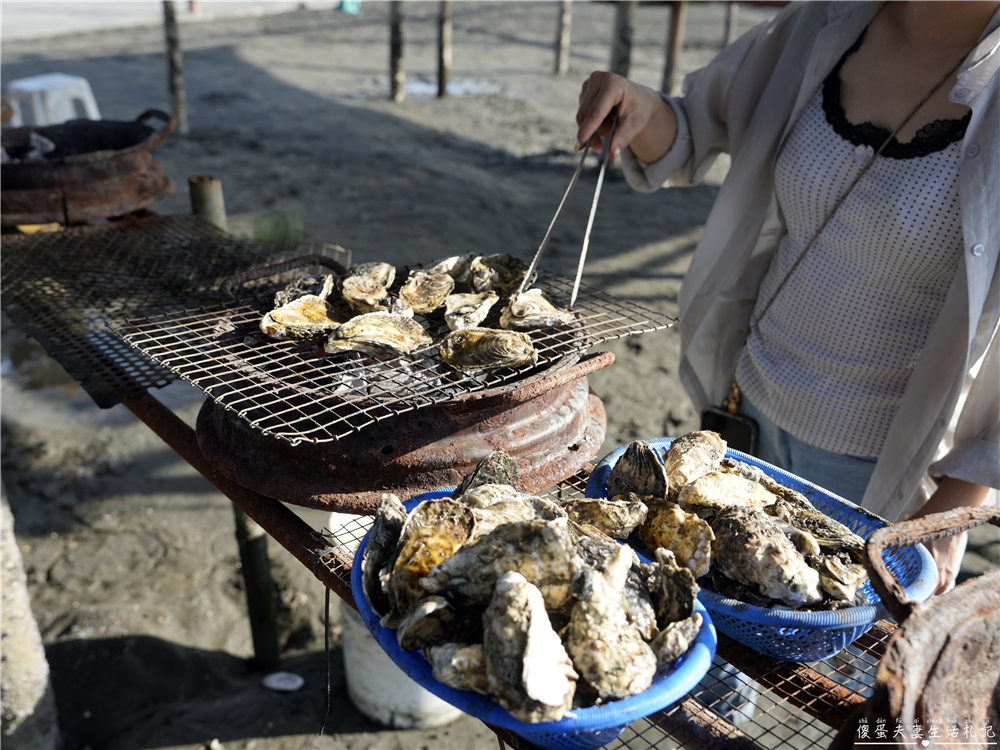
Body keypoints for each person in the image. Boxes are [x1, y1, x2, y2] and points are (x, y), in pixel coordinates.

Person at [576, 1, 999, 595]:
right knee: (715, 634)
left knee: (816, 669)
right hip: (747, 406)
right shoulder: (820, 24)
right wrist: (638, 109)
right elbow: (693, 126)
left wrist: (962, 500)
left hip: (882, 473)